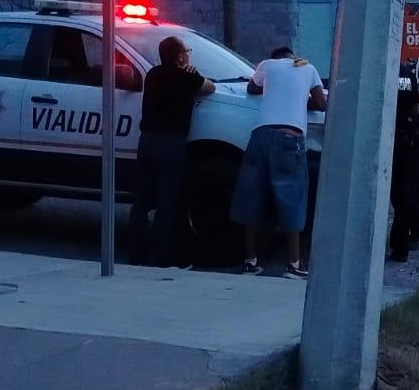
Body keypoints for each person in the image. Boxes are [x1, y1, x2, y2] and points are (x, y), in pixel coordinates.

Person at [231, 45, 327, 277]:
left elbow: (253, 88)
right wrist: (302, 101)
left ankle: (250, 260)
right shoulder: (308, 68)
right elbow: (321, 104)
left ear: (275, 58)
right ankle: (293, 264)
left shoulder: (267, 65)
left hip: (260, 137)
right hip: (289, 138)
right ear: (293, 57)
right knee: (292, 198)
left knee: (251, 196)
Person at [129, 35, 214, 267]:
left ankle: (135, 253)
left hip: (147, 142)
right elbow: (209, 87)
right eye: (186, 51)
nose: (188, 54)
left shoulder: (152, 75)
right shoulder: (186, 76)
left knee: (142, 200)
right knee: (167, 202)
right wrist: (192, 72)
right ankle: (160, 256)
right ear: (179, 56)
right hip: (171, 143)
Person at [388, 64, 419, 262]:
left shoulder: (379, 71)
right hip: (414, 137)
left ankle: (402, 245)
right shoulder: (404, 73)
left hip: (404, 139)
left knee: (402, 192)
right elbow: (415, 107)